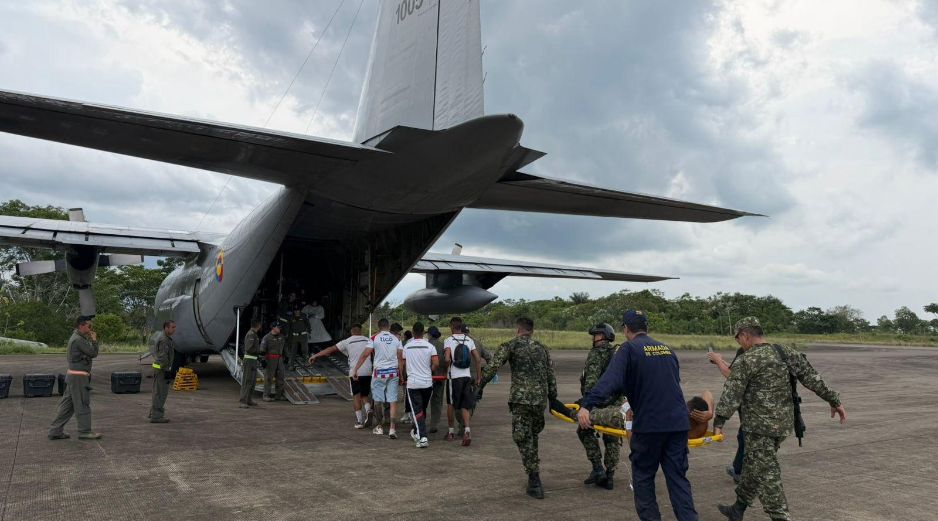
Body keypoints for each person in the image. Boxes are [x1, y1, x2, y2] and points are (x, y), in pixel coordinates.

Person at [713, 317, 847, 521]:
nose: (739, 343)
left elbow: (732, 393)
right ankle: (738, 509)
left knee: (768, 476)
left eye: (738, 338)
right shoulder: (785, 352)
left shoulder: (747, 359)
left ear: (745, 335)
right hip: (783, 426)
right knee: (752, 466)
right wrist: (834, 400)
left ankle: (780, 517)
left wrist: (719, 422)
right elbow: (812, 377)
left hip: (759, 429)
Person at [577, 310, 698, 521]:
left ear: (625, 329)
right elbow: (668, 385)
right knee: (678, 481)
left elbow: (609, 381)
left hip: (650, 426)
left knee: (643, 479)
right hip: (678, 424)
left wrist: (587, 405)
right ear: (646, 328)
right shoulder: (667, 349)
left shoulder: (629, 349)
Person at [478, 317, 559, 499]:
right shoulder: (542, 348)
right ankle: (534, 471)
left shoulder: (510, 345)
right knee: (532, 436)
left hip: (521, 400)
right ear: (532, 330)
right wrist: (553, 398)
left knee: (522, 437)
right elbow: (550, 375)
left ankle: (534, 478)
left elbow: (492, 367)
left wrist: (480, 386)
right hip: (539, 401)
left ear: (518, 330)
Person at [577, 323, 623, 490]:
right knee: (611, 437)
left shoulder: (597, 353)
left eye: (595, 335)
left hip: (598, 403)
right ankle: (610, 475)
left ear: (603, 336)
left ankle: (598, 469)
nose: (593, 338)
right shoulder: (618, 353)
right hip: (616, 403)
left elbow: (591, 382)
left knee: (583, 430)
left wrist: (586, 403)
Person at [48, 316, 102, 440]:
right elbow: (93, 353)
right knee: (82, 403)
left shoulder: (77, 338)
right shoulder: (78, 340)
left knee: (67, 406)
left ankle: (55, 431)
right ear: (81, 326)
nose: (90, 329)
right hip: (78, 377)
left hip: (73, 376)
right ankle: (84, 431)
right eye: (89, 326)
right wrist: (94, 340)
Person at [310, 324, 373, 429]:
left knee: (356, 396)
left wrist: (316, 355)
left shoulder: (347, 341)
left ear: (351, 332)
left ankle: (359, 421)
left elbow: (331, 349)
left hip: (355, 372)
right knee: (365, 395)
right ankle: (368, 410)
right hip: (368, 371)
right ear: (361, 331)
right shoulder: (368, 340)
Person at [353, 318, 403, 439]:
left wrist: (356, 369)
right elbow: (400, 358)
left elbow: (365, 354)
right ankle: (392, 429)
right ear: (388, 326)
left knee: (378, 400)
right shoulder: (396, 338)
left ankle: (379, 426)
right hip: (393, 372)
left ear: (379, 326)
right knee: (392, 401)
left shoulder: (374, 338)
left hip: (379, 373)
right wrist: (401, 374)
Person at [709, 344, 750, 484]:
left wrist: (719, 360)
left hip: (751, 407)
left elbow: (731, 375)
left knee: (745, 437)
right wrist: (719, 361)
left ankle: (740, 472)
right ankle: (740, 469)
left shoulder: (745, 351)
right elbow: (734, 369)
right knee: (744, 436)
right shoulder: (763, 352)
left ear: (745, 335)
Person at [443, 317, 482, 446]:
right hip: (466, 376)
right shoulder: (469, 340)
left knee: (451, 404)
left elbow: (448, 359)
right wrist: (478, 376)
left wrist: (446, 369)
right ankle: (467, 430)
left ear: (451, 327)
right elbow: (477, 359)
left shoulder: (448, 340)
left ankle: (451, 432)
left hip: (453, 377)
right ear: (461, 327)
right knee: (465, 405)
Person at [401, 322, 438, 448]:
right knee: (422, 409)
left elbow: (404, 364)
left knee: (417, 410)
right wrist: (429, 371)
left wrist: (404, 376)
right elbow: (436, 363)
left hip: (413, 383)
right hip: (427, 382)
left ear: (412, 331)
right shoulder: (430, 346)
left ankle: (422, 437)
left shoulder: (407, 346)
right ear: (423, 332)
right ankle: (417, 431)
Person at [456, 324, 491, 435]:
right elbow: (489, 357)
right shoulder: (477, 343)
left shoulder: (455, 341)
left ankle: (462, 425)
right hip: (476, 378)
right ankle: (465, 424)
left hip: (460, 376)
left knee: (458, 401)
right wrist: (487, 372)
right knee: (471, 402)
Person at [149, 320, 177, 423]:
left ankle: (154, 413)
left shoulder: (165, 338)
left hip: (159, 368)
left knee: (158, 392)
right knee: (160, 393)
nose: (174, 329)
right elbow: (162, 358)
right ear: (166, 328)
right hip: (161, 369)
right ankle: (157, 416)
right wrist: (166, 370)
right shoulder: (164, 340)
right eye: (172, 327)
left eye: (175, 327)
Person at [427, 325, 447, 434]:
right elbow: (447, 360)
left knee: (422, 400)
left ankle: (418, 421)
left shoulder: (426, 345)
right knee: (437, 401)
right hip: (440, 376)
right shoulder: (443, 346)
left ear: (429, 335)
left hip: (425, 377)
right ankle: (434, 423)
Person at [260, 322, 286, 402]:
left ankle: (279, 395)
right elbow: (262, 350)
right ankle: (266, 395)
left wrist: (286, 356)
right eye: (278, 327)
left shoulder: (282, 336)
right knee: (268, 378)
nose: (280, 329)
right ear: (273, 328)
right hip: (270, 360)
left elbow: (284, 347)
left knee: (281, 377)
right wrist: (262, 360)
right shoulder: (266, 338)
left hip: (280, 359)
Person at [239, 319, 262, 408]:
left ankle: (248, 399)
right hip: (249, 361)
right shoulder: (251, 334)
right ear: (258, 325)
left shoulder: (254, 334)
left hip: (253, 360)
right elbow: (248, 348)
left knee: (252, 381)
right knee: (247, 380)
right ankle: (243, 401)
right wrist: (259, 351)